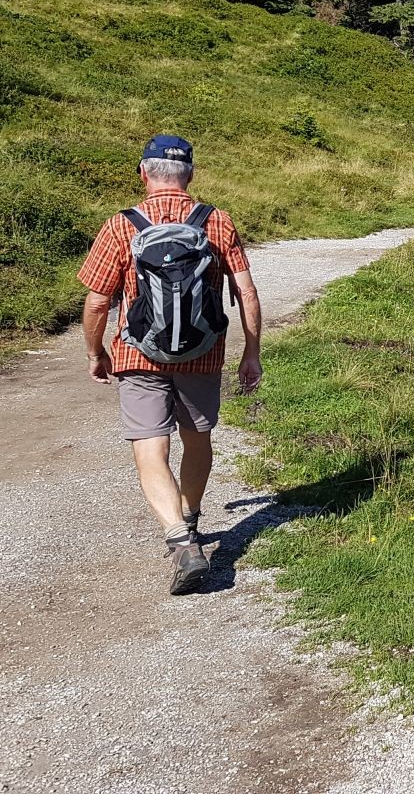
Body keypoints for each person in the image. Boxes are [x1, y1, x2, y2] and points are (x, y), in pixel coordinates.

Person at [78, 135, 263, 594]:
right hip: (202, 353)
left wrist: (95, 353)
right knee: (197, 440)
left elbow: (98, 302)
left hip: (138, 354)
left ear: (143, 173)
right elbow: (247, 293)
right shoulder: (215, 221)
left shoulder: (122, 226)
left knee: (149, 445)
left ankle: (180, 541)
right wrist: (251, 352)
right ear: (191, 175)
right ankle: (192, 519)